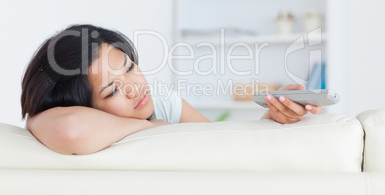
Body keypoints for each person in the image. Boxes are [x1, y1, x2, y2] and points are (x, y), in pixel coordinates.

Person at [21, 24, 322, 155]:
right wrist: (156, 129)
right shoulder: (70, 120)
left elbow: (221, 143)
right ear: (79, 103)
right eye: (112, 91)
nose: (135, 88)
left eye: (129, 68)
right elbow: (70, 130)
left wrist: (274, 117)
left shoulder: (159, 102)